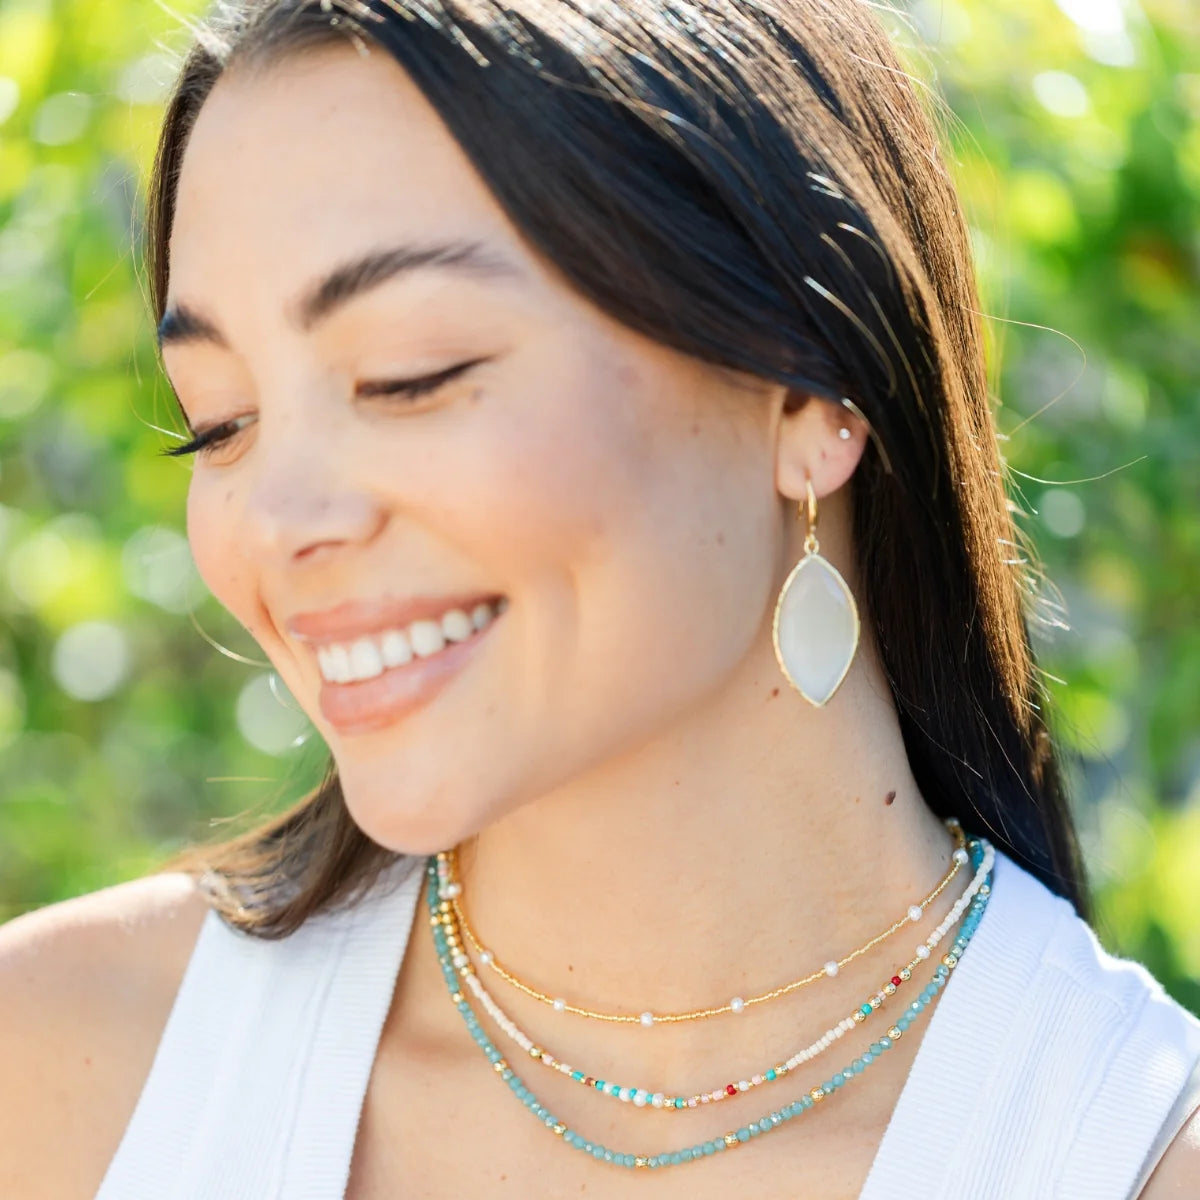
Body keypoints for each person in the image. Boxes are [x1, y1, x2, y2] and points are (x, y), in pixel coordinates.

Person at [1, 1, 1197, 1196]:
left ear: (809, 396)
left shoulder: (1129, 1154)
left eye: (407, 376)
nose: (273, 521)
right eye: (220, 421)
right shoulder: (62, 1074)